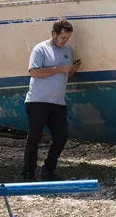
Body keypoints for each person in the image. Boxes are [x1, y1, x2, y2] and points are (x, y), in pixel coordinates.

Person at [21, 18, 80, 181]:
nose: (65, 41)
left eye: (67, 38)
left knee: (61, 137)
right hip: (38, 101)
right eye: (62, 38)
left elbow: (66, 75)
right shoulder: (40, 49)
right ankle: (28, 172)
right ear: (54, 34)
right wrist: (59, 68)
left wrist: (71, 71)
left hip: (58, 102)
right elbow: (34, 72)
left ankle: (49, 169)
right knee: (34, 137)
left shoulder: (67, 50)